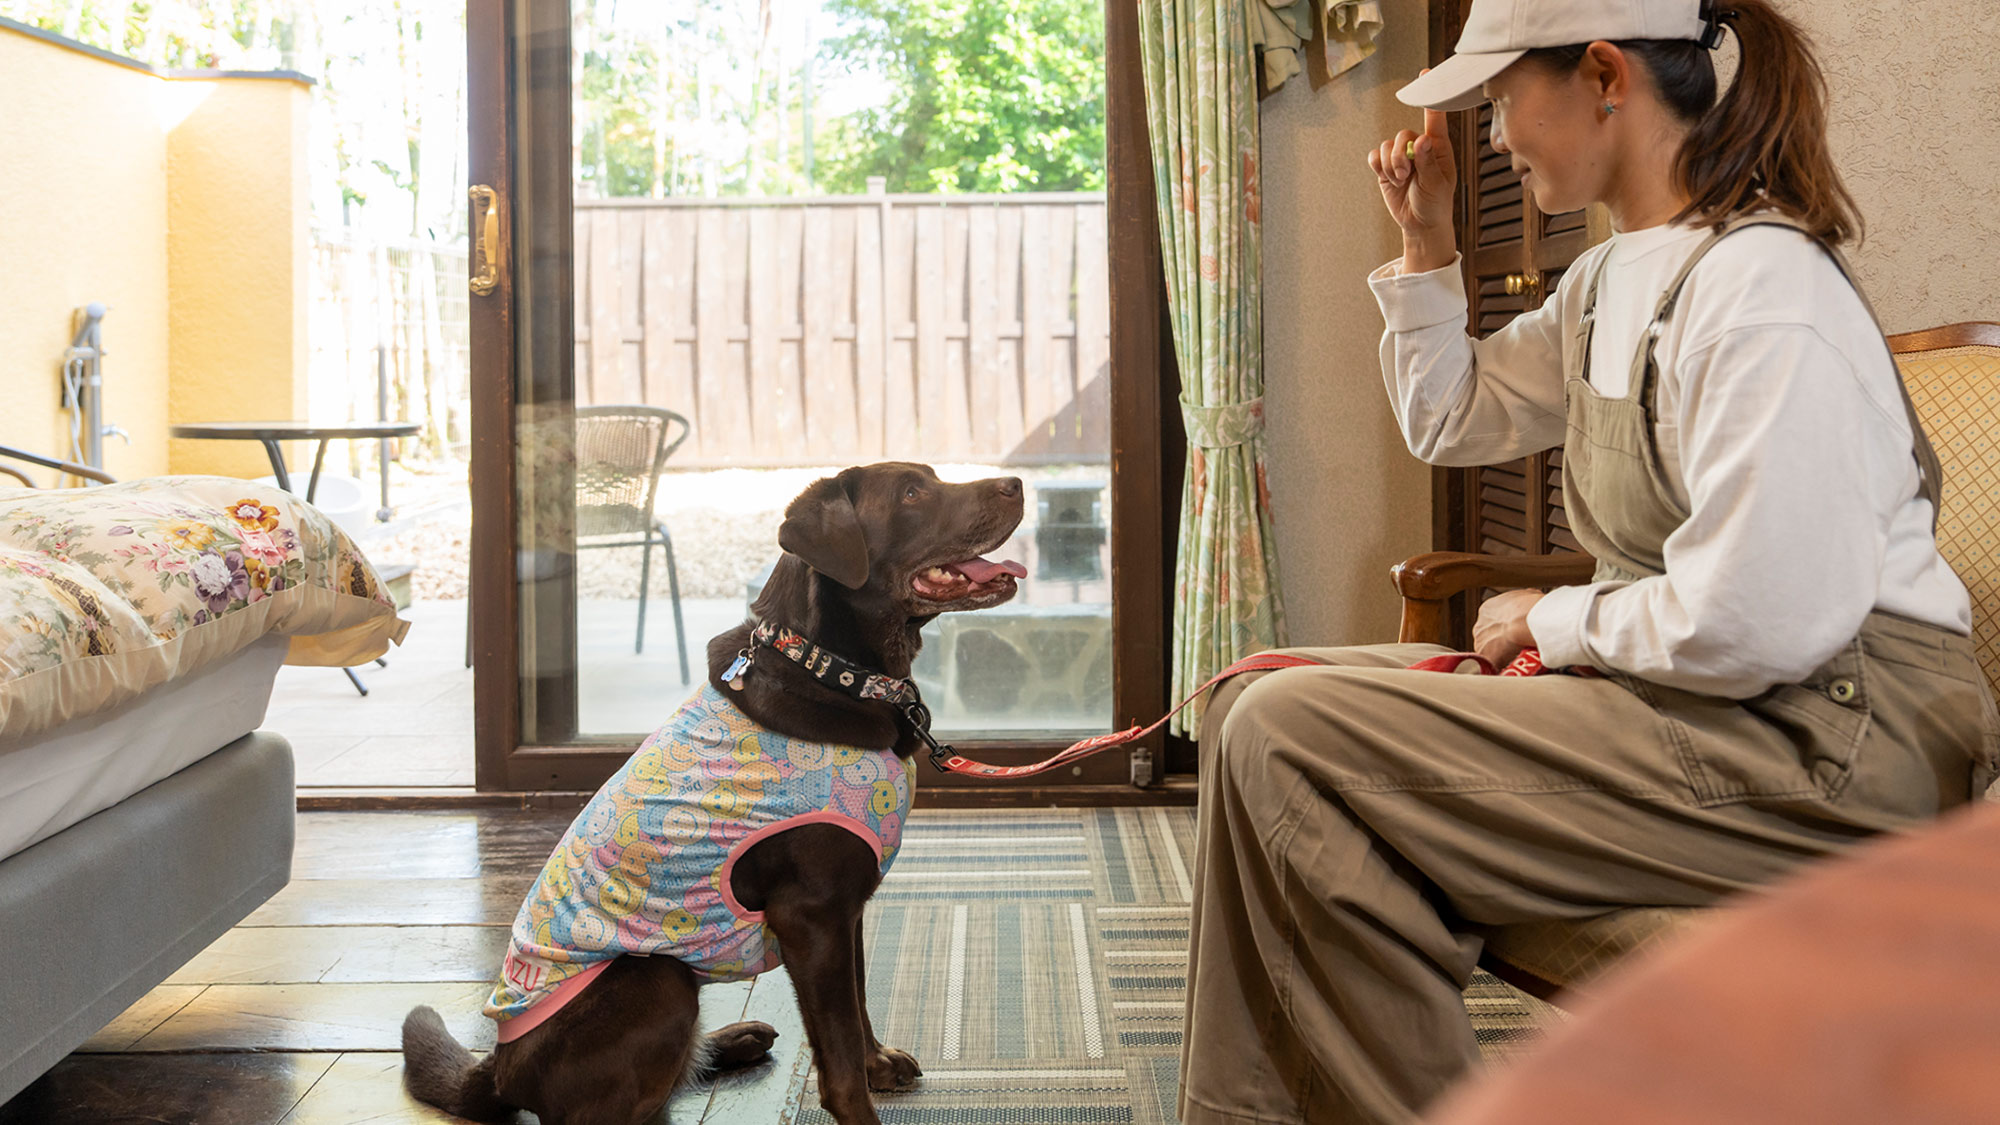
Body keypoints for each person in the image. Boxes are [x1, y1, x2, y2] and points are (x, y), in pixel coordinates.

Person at [1178, 2, 2000, 1123]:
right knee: (1246, 702)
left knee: (1291, 737)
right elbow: (1451, 420)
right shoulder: (1613, 280)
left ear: (1602, 76)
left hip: (1839, 742)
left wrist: (1544, 621)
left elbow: (1762, 618)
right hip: (1711, 708)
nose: (1495, 136)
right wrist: (1425, 244)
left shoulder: (1761, 294)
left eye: (1506, 98)